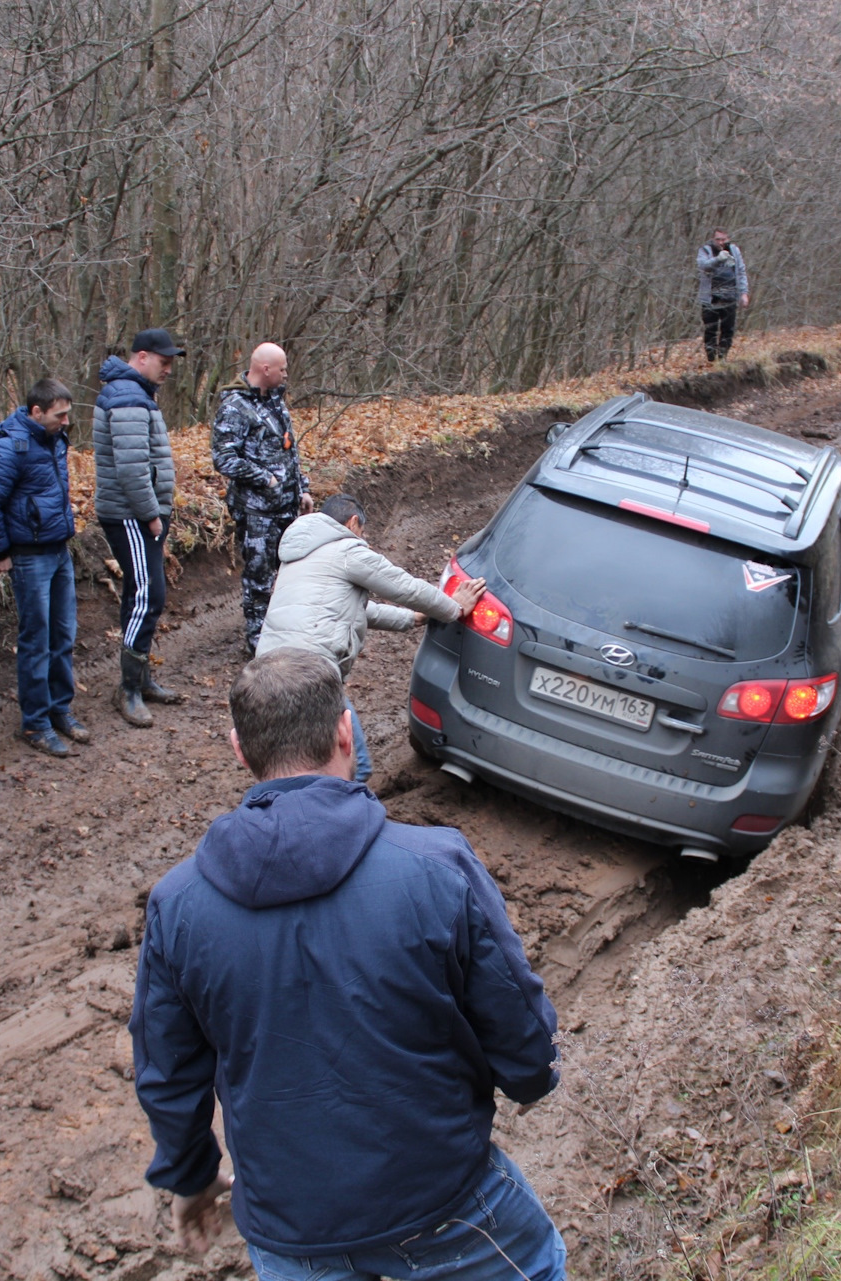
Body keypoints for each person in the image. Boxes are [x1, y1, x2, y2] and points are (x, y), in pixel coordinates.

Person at [131, 648, 565, 1280]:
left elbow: (166, 1073)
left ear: (239, 750)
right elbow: (516, 1015)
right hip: (444, 1203)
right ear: (345, 731)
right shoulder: (438, 867)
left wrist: (190, 1176)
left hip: (291, 1227)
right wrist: (531, 1076)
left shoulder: (178, 905)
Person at [256, 494, 484, 782]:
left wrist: (412, 618)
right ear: (353, 523)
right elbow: (403, 586)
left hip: (267, 673)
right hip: (310, 674)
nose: (363, 538)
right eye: (362, 532)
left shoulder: (300, 554)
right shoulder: (346, 549)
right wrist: (453, 607)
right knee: (355, 767)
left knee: (291, 763)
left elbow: (351, 610)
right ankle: (343, 821)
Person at [0, 377, 90, 758]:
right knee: (37, 642)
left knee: (63, 636)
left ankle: (60, 710)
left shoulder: (53, 440)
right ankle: (35, 722)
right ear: (36, 412)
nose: (66, 421)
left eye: (68, 414)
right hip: (29, 557)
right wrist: (1, 551)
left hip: (58, 550)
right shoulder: (11, 447)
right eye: (60, 415)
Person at [95, 328, 186, 727]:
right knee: (149, 595)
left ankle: (141, 679)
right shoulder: (129, 397)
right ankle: (128, 689)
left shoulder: (137, 393)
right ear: (143, 356)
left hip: (139, 512)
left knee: (140, 592)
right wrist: (151, 513)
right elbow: (132, 469)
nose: (168, 371)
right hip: (131, 514)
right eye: (164, 363)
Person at [212, 342, 311, 656]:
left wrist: (302, 489)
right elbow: (224, 459)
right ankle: (258, 642)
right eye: (281, 369)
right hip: (256, 510)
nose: (285, 374)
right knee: (259, 576)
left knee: (287, 574)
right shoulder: (235, 406)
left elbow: (288, 452)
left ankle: (282, 632)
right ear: (265, 369)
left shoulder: (276, 402)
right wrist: (264, 478)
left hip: (286, 507)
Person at [697, 228, 750, 362]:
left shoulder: (734, 250)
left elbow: (741, 272)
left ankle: (722, 357)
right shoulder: (705, 251)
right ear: (713, 239)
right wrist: (718, 259)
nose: (721, 242)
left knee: (728, 329)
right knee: (711, 329)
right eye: (718, 239)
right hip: (711, 298)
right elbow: (703, 266)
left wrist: (744, 293)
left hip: (730, 296)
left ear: (728, 239)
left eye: (724, 239)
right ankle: (711, 358)